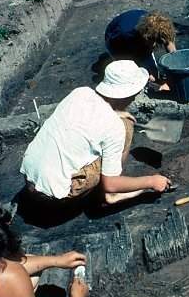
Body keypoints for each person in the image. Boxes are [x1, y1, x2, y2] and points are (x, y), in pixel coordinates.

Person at [20, 60, 171, 205]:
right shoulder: (114, 126)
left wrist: (116, 113)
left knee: (121, 125)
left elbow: (86, 116)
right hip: (54, 196)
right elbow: (110, 184)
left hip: (29, 179)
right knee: (127, 127)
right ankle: (111, 196)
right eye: (135, 93)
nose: (134, 97)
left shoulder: (80, 93)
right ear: (127, 94)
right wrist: (151, 181)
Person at [105, 10, 176, 89]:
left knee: (154, 74)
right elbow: (138, 56)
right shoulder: (126, 34)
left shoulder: (156, 23)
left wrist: (175, 62)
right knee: (141, 76)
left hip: (134, 24)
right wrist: (147, 74)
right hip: (116, 40)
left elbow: (169, 42)